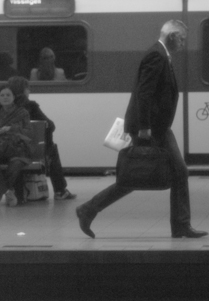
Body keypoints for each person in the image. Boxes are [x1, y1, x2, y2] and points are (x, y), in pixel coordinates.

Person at [76, 20, 207, 239]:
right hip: (151, 128)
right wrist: (145, 127)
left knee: (148, 175)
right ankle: (89, 209)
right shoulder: (156, 56)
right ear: (173, 36)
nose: (184, 44)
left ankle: (181, 226)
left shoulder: (161, 54)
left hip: (158, 126)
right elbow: (144, 94)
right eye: (182, 39)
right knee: (142, 175)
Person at [7, 76, 76, 200]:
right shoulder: (31, 106)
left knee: (49, 148)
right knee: (52, 149)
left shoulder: (3, 107)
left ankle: (16, 192)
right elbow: (50, 125)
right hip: (31, 151)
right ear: (23, 90)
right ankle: (60, 191)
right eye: (28, 89)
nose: (29, 91)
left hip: (9, 151)